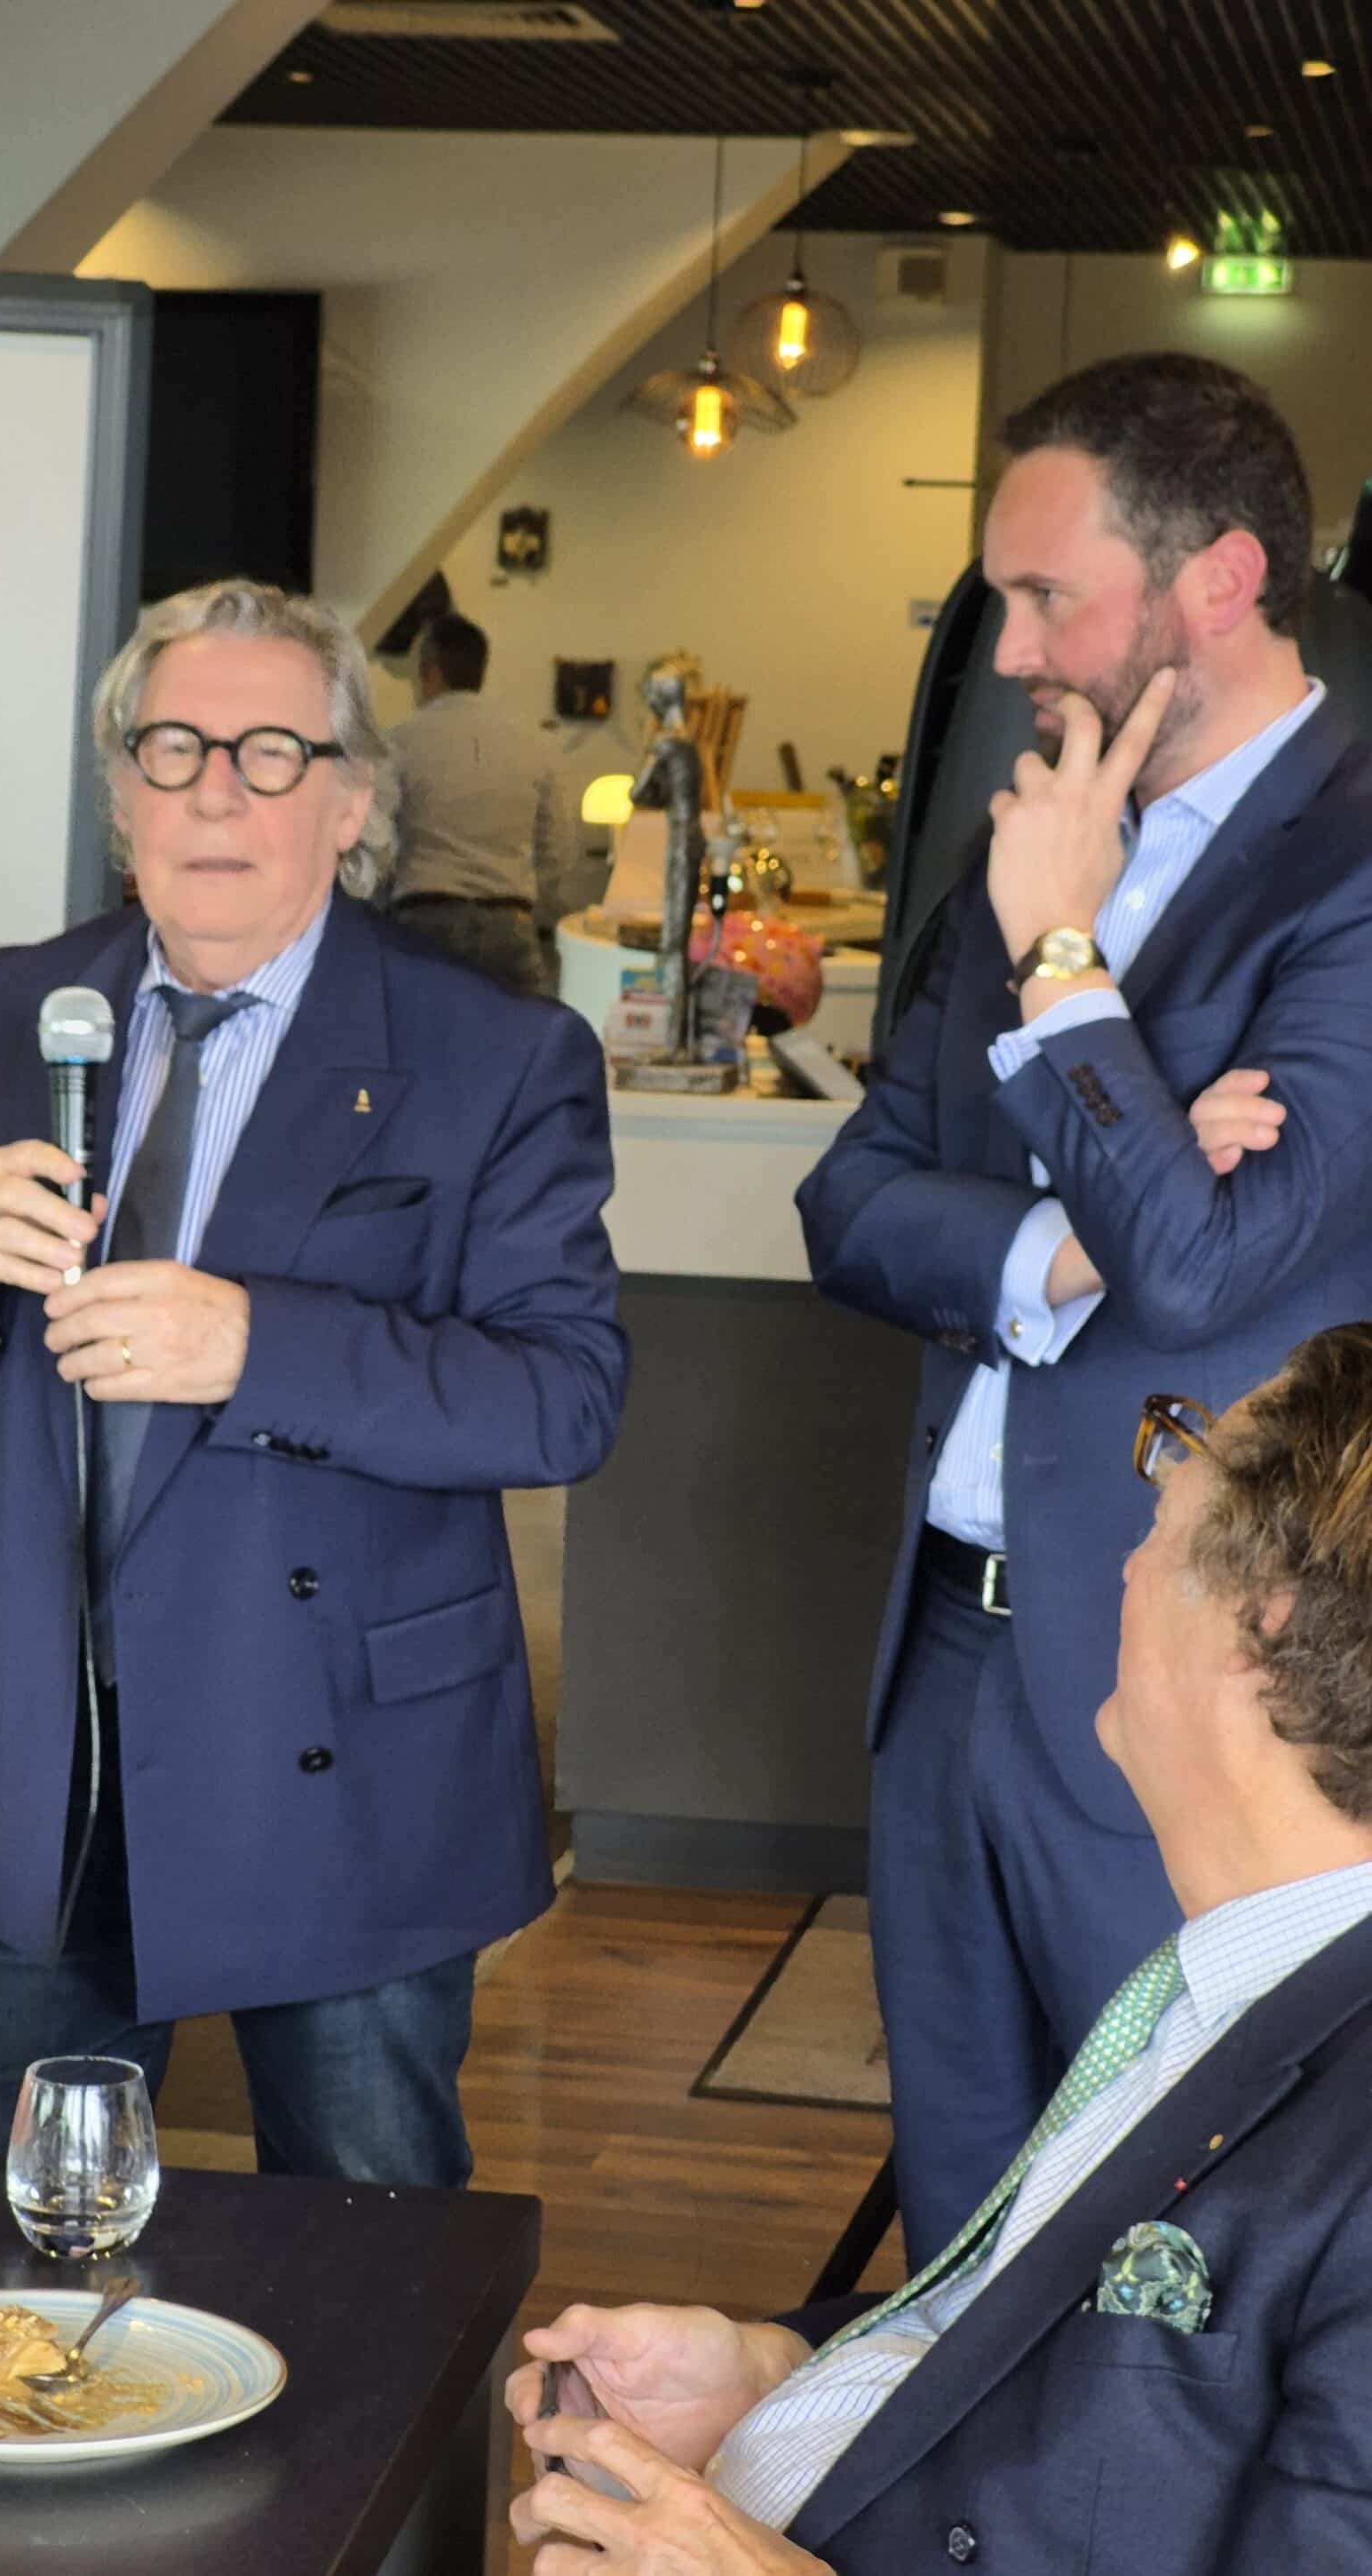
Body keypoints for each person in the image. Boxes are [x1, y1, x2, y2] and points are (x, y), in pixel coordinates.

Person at [0, 578, 626, 2177]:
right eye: (172, 748)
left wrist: (256, 1344)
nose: (213, 792)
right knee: (28, 2250)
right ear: (119, 792)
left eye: (270, 754)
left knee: (369, 2260)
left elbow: (561, 1397)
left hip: (336, 1753)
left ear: (352, 802)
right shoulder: (2, 1010)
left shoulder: (492, 1055)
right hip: (41, 1741)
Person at [796, 350, 1372, 2262]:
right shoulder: (1028, 834)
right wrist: (1070, 1239)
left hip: (1201, 1673)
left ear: (1219, 580)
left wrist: (1064, 961)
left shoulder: (1349, 874)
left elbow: (1206, 1267)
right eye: (1002, 597)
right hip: (941, 1657)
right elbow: (848, 1201)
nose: (1016, 648)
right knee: (961, 2210)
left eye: (1050, 595)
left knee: (1168, 2232)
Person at [510, 1324, 1372, 2572]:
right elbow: (1047, 2340)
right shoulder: (1225, 1978)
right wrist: (777, 2372)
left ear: (1257, 1622)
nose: (1123, 1565)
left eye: (1156, 1517)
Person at [387, 609, 557, 995]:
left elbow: (377, 838)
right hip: (509, 922)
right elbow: (558, 845)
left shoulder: (401, 741)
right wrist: (532, 907)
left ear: (430, 673)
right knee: (523, 1029)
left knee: (420, 1029)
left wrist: (383, 907)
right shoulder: (533, 741)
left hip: (424, 920)